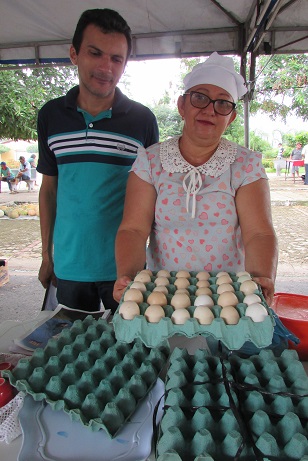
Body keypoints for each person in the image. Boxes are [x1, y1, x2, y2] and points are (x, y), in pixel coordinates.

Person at [114, 52, 278, 307]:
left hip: (229, 299)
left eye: (223, 103)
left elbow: (258, 233)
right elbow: (133, 229)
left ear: (231, 117)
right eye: (200, 97)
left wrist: (261, 279)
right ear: (182, 105)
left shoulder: (246, 165)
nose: (210, 110)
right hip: (163, 297)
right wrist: (128, 277)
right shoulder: (150, 161)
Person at [36, 8, 159, 313]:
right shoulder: (51, 116)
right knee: (74, 352)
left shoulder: (142, 120)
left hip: (126, 269)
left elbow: (156, 193)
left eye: (117, 58)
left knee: (129, 353)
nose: (106, 67)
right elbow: (49, 190)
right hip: (69, 266)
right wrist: (46, 256)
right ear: (74, 54)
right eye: (95, 53)